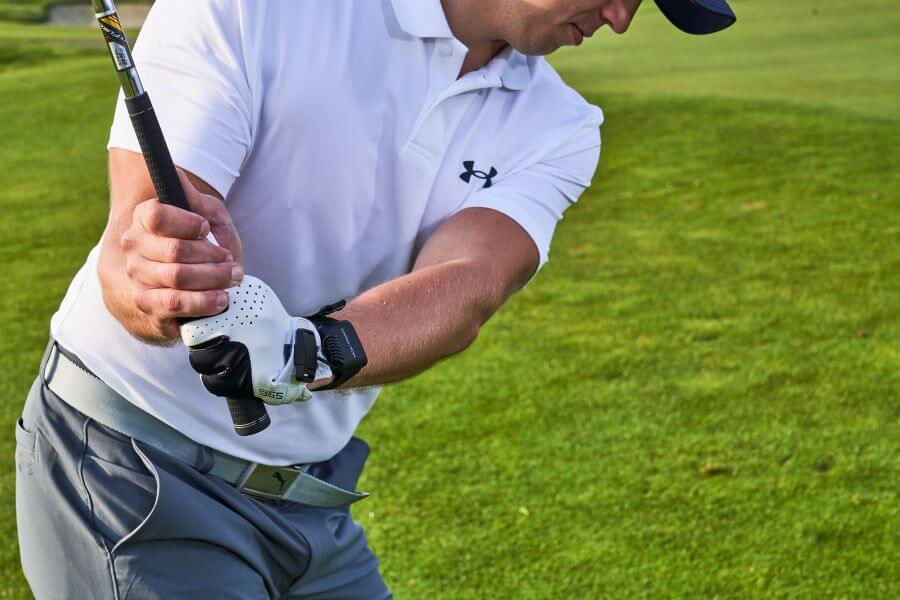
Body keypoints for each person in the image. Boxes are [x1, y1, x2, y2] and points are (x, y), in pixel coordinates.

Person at [15, 0, 735, 597]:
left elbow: (469, 284)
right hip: (134, 474)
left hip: (308, 502)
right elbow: (136, 254)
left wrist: (306, 352)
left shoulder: (561, 126)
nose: (620, 19)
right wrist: (161, 277)